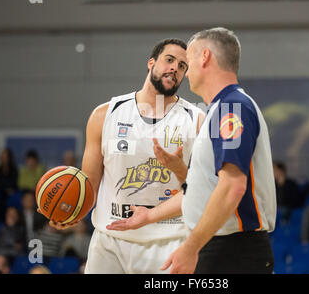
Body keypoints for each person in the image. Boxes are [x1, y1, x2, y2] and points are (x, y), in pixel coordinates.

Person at [110, 28, 277, 274]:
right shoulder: (220, 109)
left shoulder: (231, 108)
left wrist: (190, 247)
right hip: (222, 247)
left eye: (188, 60)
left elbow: (233, 187)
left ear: (205, 57)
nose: (184, 71)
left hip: (233, 250)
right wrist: (149, 216)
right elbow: (205, 191)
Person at [47, 38, 204, 274]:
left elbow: (202, 189)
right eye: (169, 60)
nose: (175, 68)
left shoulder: (196, 120)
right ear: (151, 63)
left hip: (167, 241)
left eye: (182, 66)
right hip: (109, 240)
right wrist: (71, 211)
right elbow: (89, 185)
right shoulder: (104, 115)